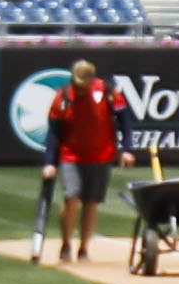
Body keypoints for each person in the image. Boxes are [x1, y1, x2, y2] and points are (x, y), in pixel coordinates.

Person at [42, 57, 123, 265]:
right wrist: (50, 162)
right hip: (71, 154)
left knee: (91, 202)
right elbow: (54, 131)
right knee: (71, 197)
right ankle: (66, 244)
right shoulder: (63, 96)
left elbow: (125, 120)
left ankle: (84, 247)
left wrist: (128, 149)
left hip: (100, 155)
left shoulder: (107, 92)